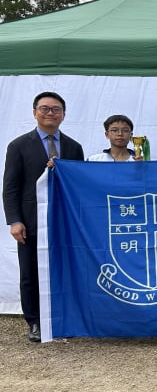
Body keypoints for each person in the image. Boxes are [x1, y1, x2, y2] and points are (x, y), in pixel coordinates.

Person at [3, 92, 84, 342]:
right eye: (45, 108)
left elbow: (79, 185)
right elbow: (10, 187)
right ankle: (35, 322)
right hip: (30, 221)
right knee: (30, 273)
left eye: (56, 109)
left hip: (64, 221)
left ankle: (63, 319)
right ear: (34, 112)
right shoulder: (18, 145)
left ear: (63, 114)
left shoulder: (73, 147)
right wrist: (15, 220)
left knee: (64, 270)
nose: (50, 113)